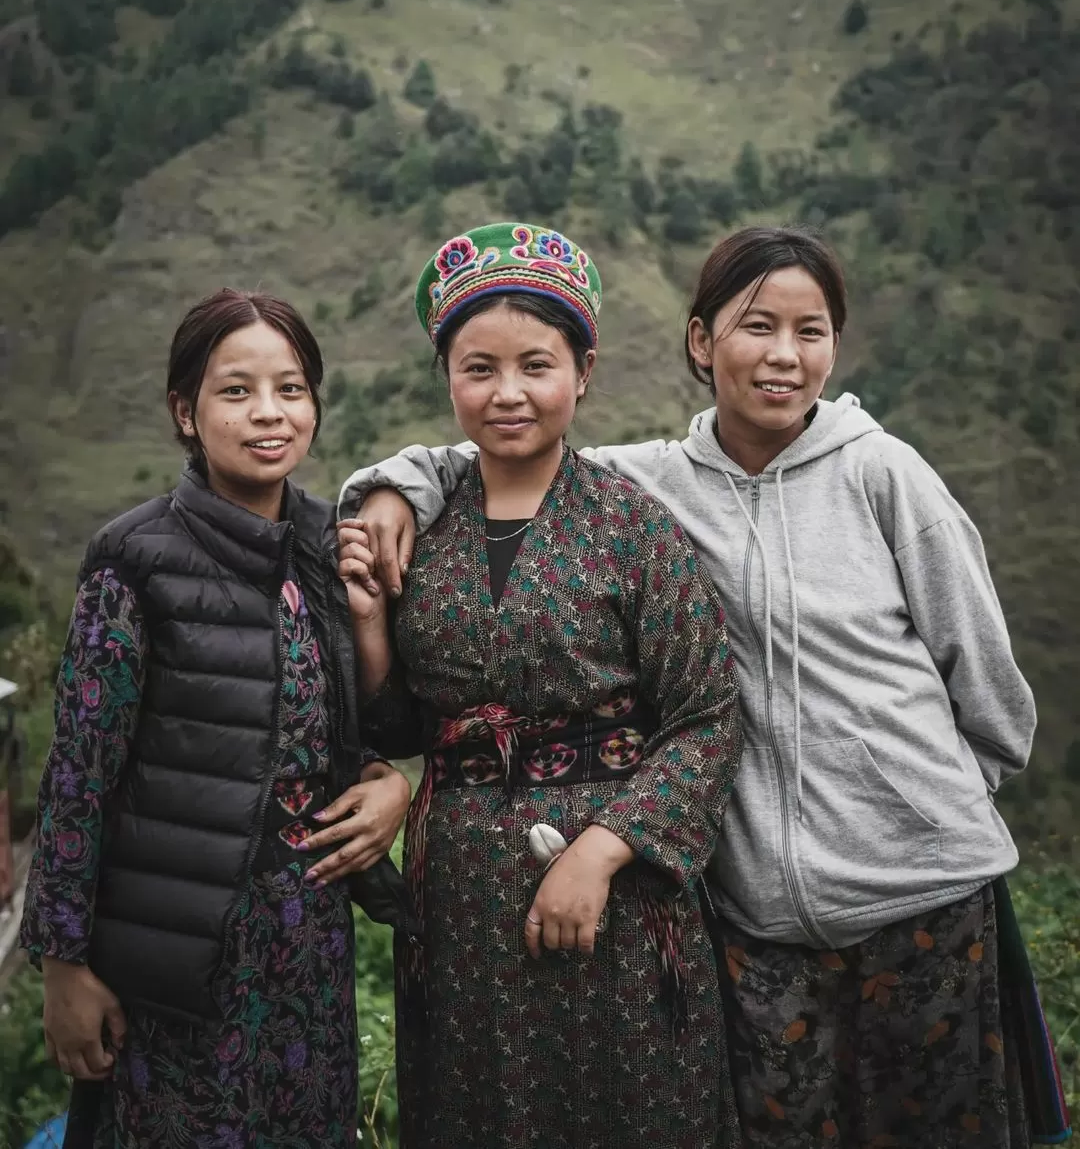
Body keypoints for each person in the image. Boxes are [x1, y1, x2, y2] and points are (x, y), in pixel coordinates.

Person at [339, 225, 1071, 1148]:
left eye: (811, 332)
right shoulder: (657, 483)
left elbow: (989, 690)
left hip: (919, 886)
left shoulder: (877, 475)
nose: (783, 355)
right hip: (754, 903)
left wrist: (932, 803)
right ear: (699, 341)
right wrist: (389, 489)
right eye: (756, 326)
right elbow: (495, 451)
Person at [336, 222, 745, 1148]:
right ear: (448, 378)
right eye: (479, 368)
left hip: (618, 897)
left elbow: (707, 716)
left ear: (584, 371)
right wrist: (367, 619)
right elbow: (402, 722)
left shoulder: (634, 527)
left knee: (625, 1108)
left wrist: (599, 855)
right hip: (461, 903)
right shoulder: (421, 531)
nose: (508, 392)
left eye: (536, 365)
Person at [20, 288, 414, 1149]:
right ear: (185, 412)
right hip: (179, 947)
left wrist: (394, 791)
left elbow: (370, 729)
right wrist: (62, 966)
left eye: (292, 388)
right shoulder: (136, 562)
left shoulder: (326, 541)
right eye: (236, 391)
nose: (269, 413)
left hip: (307, 932)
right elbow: (80, 776)